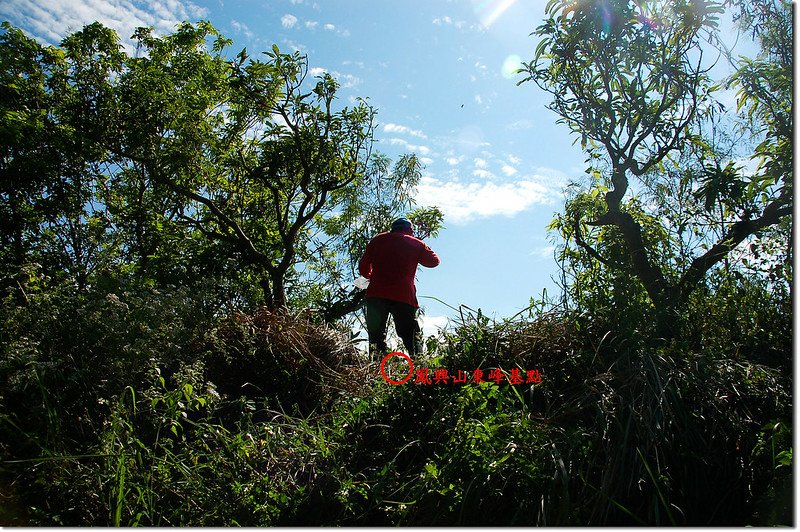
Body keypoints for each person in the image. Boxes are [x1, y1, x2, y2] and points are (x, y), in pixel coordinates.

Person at [358, 217, 440, 359]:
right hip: (404, 296)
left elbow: (363, 269)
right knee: (410, 335)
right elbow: (434, 262)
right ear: (409, 230)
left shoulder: (378, 240)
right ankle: (418, 365)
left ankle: (377, 368)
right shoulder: (416, 244)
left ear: (393, 228)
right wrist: (422, 246)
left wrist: (372, 275)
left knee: (376, 335)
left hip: (376, 294)